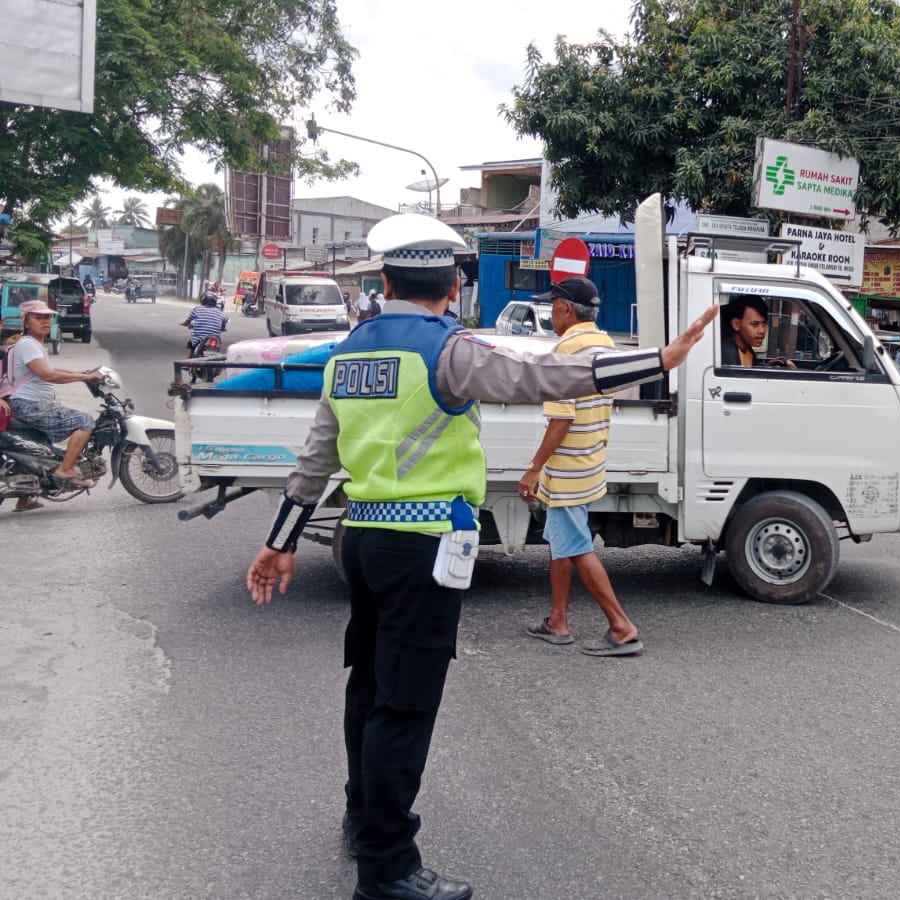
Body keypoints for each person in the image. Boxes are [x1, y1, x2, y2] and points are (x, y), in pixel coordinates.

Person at [244, 214, 716, 900]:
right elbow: (542, 376)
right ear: (455, 285)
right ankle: (387, 869)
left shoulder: (351, 352)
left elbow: (316, 456)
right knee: (404, 705)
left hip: (368, 540)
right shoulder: (449, 350)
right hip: (426, 542)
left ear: (384, 280)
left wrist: (281, 540)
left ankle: (362, 819)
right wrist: (657, 362)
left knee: (369, 687)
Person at [519, 277, 643, 657]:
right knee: (562, 541)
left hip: (568, 467)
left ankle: (621, 627)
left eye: (553, 305)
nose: (550, 312)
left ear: (566, 309)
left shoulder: (565, 351)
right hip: (589, 461)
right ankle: (558, 620)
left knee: (575, 545)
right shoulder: (605, 345)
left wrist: (533, 468)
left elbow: (561, 419)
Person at [5, 301, 104, 489]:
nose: (45, 321)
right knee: (84, 421)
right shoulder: (28, 344)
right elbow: (47, 374)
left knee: (42, 449)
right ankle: (66, 470)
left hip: (31, 403)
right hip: (29, 405)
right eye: (38, 317)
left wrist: (83, 375)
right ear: (26, 322)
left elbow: (50, 369)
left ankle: (25, 497)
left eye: (47, 317)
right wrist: (84, 377)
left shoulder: (34, 344)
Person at [720, 295, 793, 368]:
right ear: (736, 324)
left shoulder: (748, 350)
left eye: (764, 323)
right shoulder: (728, 354)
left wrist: (766, 368)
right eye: (754, 324)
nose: (762, 331)